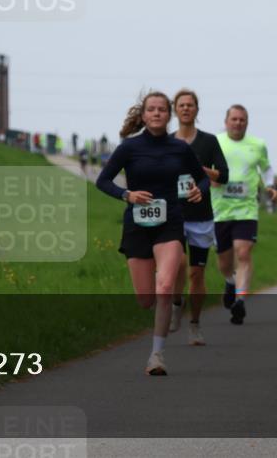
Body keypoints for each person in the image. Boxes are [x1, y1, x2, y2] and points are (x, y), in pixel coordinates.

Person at [96, 91, 208, 375]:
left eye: (162, 110)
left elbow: (203, 177)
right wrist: (127, 195)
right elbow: (102, 180)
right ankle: (164, 312)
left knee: (165, 286)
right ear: (143, 115)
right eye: (152, 109)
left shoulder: (179, 148)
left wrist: (198, 190)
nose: (157, 113)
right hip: (137, 225)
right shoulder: (129, 148)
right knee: (146, 298)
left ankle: (156, 356)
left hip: (170, 222)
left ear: (168, 115)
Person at [170, 89, 229, 347]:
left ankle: (194, 324)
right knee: (178, 265)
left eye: (190, 105)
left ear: (196, 110)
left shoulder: (209, 141)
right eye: (181, 105)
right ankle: (175, 302)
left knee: (196, 274)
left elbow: (224, 175)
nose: (185, 109)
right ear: (175, 109)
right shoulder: (167, 141)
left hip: (201, 216)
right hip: (173, 214)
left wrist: (199, 169)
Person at [212, 104, 277, 325]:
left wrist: (269, 185)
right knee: (224, 262)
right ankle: (230, 282)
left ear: (247, 122)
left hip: (247, 209)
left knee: (244, 252)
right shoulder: (216, 142)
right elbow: (202, 167)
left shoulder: (258, 145)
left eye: (242, 119)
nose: (238, 123)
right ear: (226, 121)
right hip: (220, 210)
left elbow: (266, 168)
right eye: (234, 119)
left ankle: (240, 299)